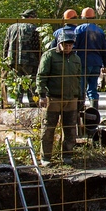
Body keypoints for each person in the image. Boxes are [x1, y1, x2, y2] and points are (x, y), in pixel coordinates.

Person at [36, 26, 84, 164]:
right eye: (65, 44)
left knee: (70, 130)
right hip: (53, 98)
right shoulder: (49, 56)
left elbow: (78, 78)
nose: (68, 47)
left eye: (70, 45)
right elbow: (41, 76)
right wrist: (42, 94)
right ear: (59, 43)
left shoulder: (76, 58)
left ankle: (67, 156)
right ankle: (46, 158)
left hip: (71, 99)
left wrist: (80, 96)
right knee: (48, 129)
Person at [1, 10, 41, 105]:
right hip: (30, 61)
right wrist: (40, 61)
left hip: (13, 61)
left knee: (19, 81)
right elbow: (37, 47)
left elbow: (6, 45)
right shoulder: (33, 28)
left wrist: (5, 60)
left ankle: (17, 103)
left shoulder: (11, 28)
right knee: (32, 83)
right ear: (31, 17)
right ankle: (33, 104)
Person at [74, 7, 106, 110]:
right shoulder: (100, 31)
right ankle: (94, 111)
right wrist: (105, 65)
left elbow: (74, 47)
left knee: (81, 88)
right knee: (93, 89)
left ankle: (79, 110)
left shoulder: (79, 30)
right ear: (94, 17)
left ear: (83, 17)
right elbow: (105, 50)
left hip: (82, 62)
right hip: (96, 63)